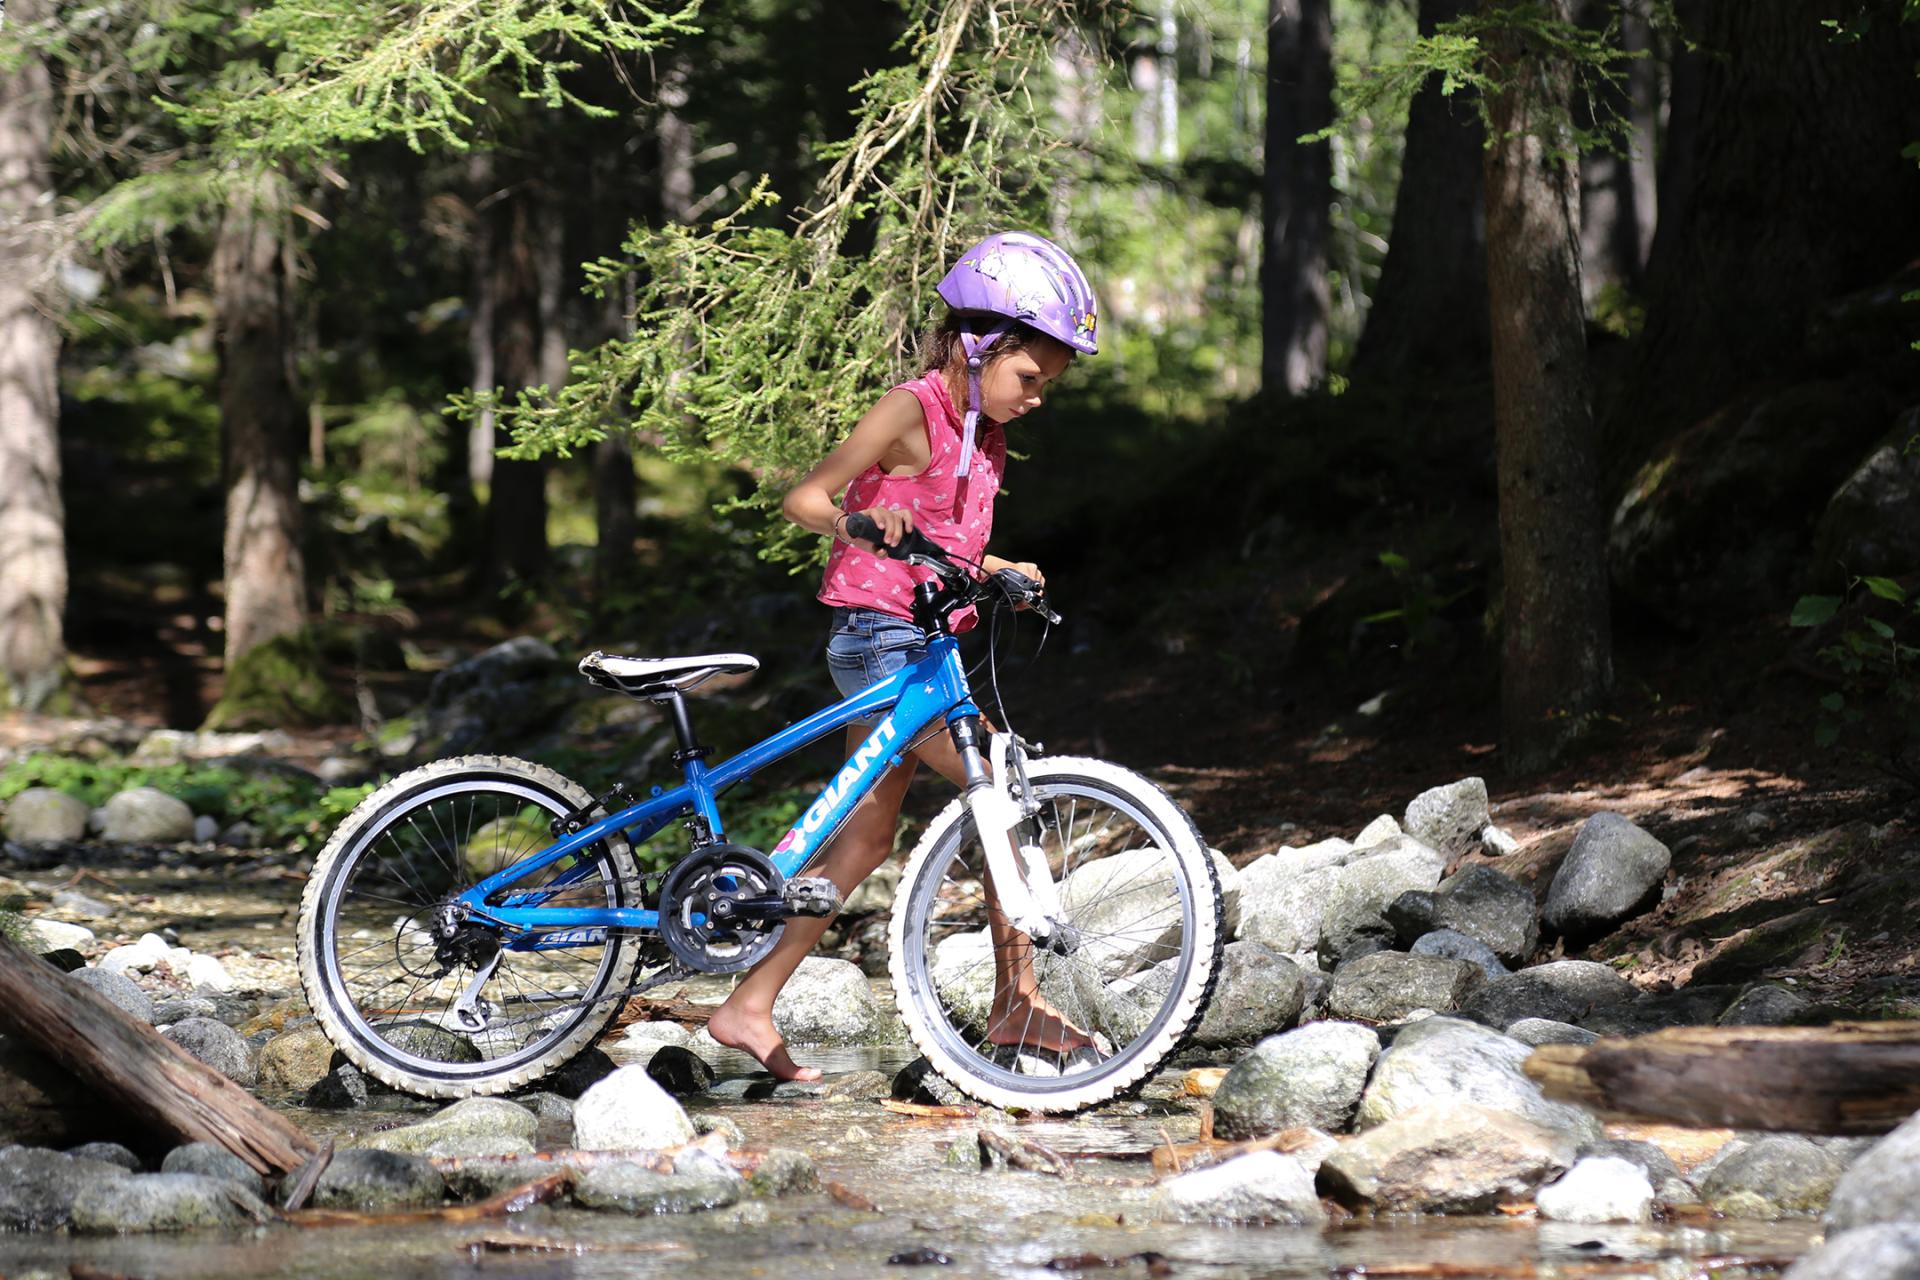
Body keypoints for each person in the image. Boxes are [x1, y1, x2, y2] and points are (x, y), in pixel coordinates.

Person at [703, 231, 1101, 1081]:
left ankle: (746, 1004)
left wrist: (1000, 569)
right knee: (1001, 789)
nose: (1036, 399)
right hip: (878, 639)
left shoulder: (982, 438)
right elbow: (803, 496)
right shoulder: (911, 409)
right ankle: (1015, 1003)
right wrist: (853, 521)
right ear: (981, 345)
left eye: (1048, 389)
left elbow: (944, 545)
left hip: (927, 641)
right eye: (1030, 378)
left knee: (866, 838)